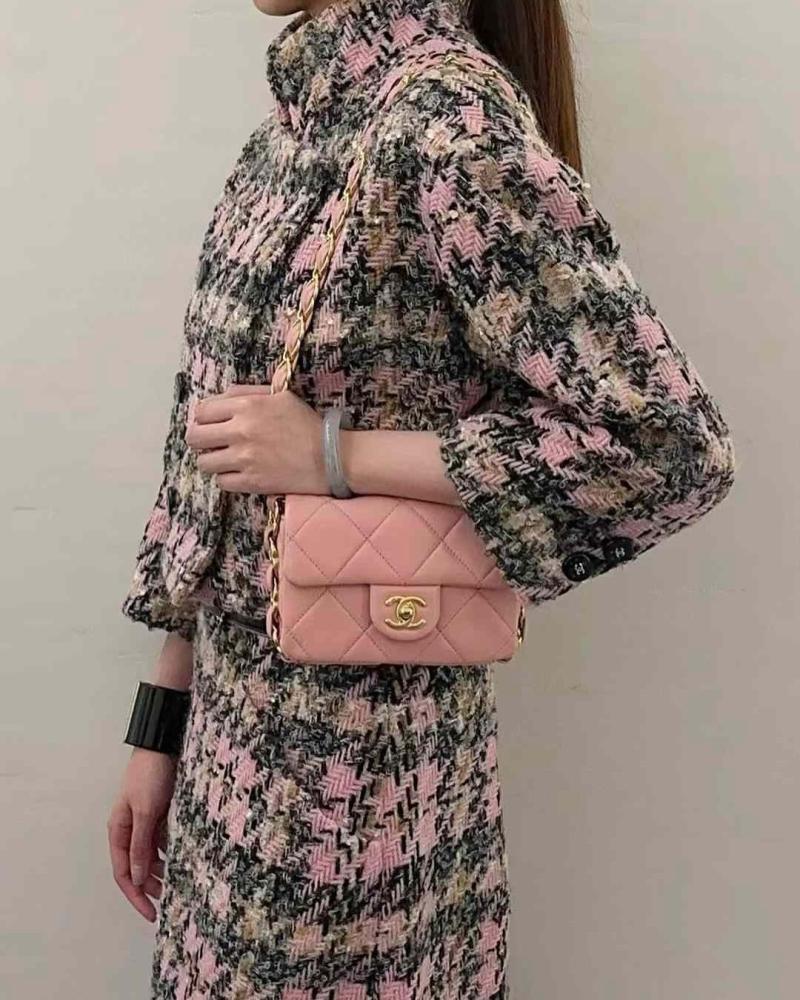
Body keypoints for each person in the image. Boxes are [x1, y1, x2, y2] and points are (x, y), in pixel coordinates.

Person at [107, 0, 736, 995]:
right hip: (229, 753)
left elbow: (667, 444)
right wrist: (162, 720)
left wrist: (333, 453)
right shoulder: (286, 138)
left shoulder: (448, 123)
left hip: (370, 787)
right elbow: (216, 469)